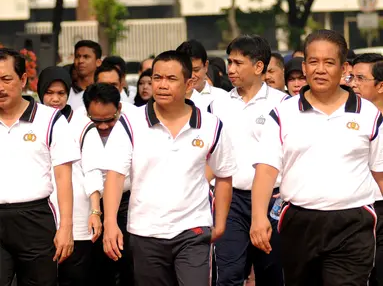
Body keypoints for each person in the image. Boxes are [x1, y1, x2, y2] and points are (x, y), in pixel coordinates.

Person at [250, 29, 383, 286]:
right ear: (304, 66)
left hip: (353, 223)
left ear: (344, 67)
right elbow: (266, 170)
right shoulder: (282, 114)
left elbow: (380, 173)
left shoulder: (368, 114)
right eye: (313, 62)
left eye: (329, 62)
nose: (320, 69)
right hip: (299, 222)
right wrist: (258, 217)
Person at [102, 50, 236, 286]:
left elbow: (224, 174)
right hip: (145, 232)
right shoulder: (130, 123)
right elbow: (114, 175)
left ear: (189, 83)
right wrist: (110, 223)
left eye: (171, 79)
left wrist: (221, 223)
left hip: (192, 230)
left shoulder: (211, 125)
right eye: (157, 78)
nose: (162, 85)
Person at [211, 35, 288, 286]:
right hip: (229, 200)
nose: (230, 69)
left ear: (258, 67)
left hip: (273, 201)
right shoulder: (218, 104)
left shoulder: (283, 104)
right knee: (229, 274)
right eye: (228, 62)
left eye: (237, 63)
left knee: (272, 274)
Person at [0, 48, 79, 286]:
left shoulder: (50, 119)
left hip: (35, 219)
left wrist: (66, 228)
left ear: (23, 80)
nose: (0, 87)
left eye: (6, 79)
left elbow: (64, 178)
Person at [37, 66, 104, 286]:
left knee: (75, 278)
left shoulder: (82, 124)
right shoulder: (33, 121)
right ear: (40, 92)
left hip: (77, 217)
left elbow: (94, 170)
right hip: (39, 218)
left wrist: (95, 210)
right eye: (50, 93)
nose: (55, 99)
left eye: (61, 93)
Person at [83, 83, 135, 286]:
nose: (103, 126)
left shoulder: (134, 123)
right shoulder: (80, 124)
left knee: (129, 263)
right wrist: (96, 211)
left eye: (109, 120)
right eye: (97, 121)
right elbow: (90, 169)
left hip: (129, 203)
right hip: (95, 203)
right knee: (99, 268)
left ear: (119, 108)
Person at [350, 55, 383, 286]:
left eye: (361, 78)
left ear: (381, 85)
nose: (353, 83)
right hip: (355, 211)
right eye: (351, 77)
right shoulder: (345, 118)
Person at [176, 39, 229, 111]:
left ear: (206, 66)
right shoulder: (169, 98)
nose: (192, 76)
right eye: (187, 71)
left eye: (196, 70)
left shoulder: (222, 98)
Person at [68, 40, 102, 110]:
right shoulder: (65, 92)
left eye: (86, 57)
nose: (80, 61)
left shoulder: (104, 92)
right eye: (77, 56)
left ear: (98, 62)